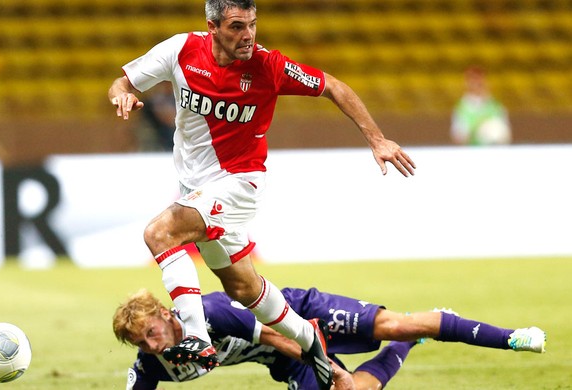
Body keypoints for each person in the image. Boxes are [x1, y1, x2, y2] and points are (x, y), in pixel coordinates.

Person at [108, 1, 416, 388]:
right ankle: (310, 341)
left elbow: (333, 87)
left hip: (239, 182)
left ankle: (196, 338)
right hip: (197, 189)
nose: (248, 35)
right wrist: (121, 95)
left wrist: (377, 139)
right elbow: (122, 82)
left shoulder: (269, 66)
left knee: (159, 233)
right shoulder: (181, 50)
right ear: (213, 26)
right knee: (244, 289)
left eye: (252, 25)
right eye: (237, 26)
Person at [113, 287, 546, 390]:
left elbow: (284, 336)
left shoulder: (209, 313)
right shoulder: (154, 364)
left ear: (166, 315)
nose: (151, 346)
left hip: (299, 317)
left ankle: (514, 338)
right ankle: (406, 348)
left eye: (151, 333)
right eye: (141, 344)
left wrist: (333, 369)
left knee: (397, 324)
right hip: (284, 359)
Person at [451, 66, 511, 146]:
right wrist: (478, 130)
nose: (476, 83)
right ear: (466, 82)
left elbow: (505, 135)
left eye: (479, 79)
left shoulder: (496, 106)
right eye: (472, 79)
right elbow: (458, 138)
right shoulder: (461, 108)